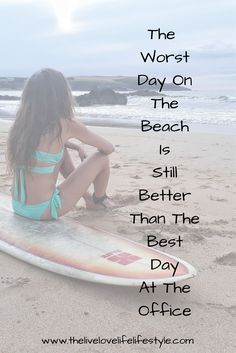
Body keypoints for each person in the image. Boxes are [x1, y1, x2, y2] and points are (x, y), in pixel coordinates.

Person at [7, 68, 115, 221]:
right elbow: (108, 148)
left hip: (19, 206)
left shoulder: (22, 125)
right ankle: (99, 200)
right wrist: (79, 137)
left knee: (61, 150)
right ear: (62, 95)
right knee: (102, 158)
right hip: (43, 210)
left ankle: (88, 198)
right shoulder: (67, 125)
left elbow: (44, 147)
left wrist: (75, 146)